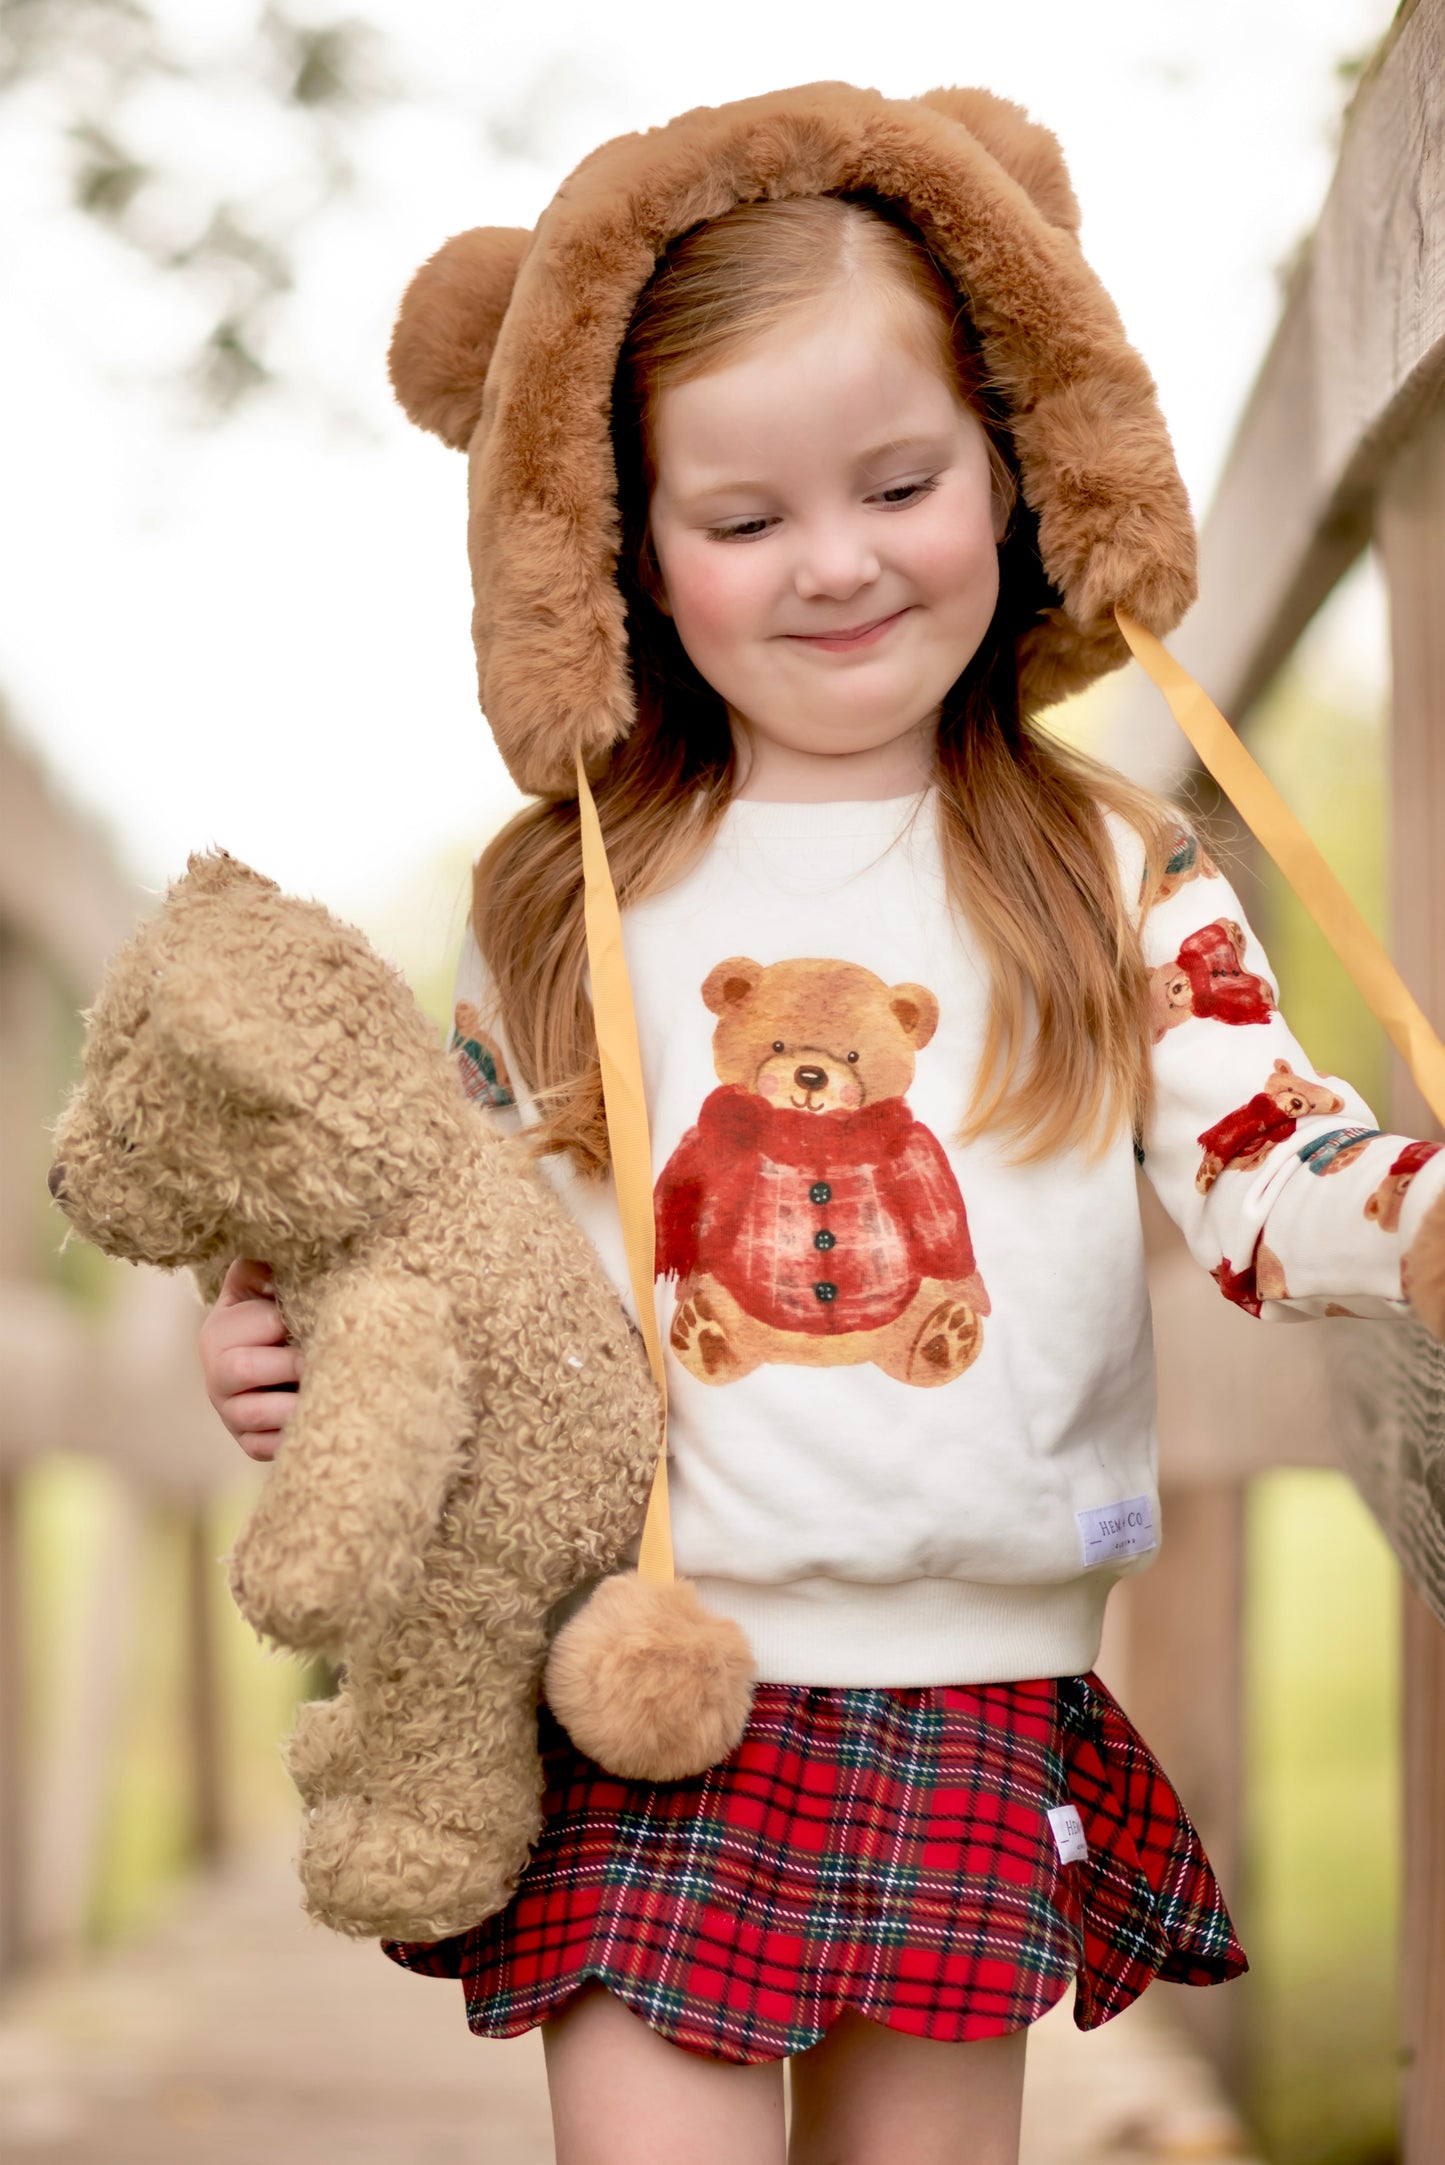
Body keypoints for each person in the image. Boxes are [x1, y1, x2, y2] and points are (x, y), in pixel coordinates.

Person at [198, 85, 1445, 2165]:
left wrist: (1415, 1219)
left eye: (901, 482)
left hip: (967, 1680)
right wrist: (273, 1334)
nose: (840, 562)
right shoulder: (570, 895)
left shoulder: (1112, 869)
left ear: (1014, 471)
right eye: (746, 517)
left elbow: (1260, 1169)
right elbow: (412, 1217)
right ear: (624, 551)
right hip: (645, 1678)